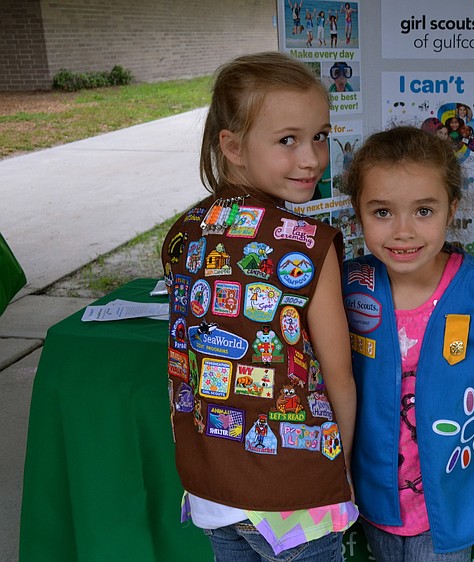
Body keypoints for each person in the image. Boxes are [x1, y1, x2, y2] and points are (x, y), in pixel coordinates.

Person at [159, 51, 358, 561]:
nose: (312, 157)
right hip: (296, 493)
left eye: (320, 135)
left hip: (210, 483)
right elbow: (338, 376)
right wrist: (345, 469)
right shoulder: (309, 244)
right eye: (287, 140)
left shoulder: (183, 234)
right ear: (233, 146)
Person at [340, 126, 474, 561]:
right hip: (374, 498)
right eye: (382, 212)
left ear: (452, 210)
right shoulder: (349, 288)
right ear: (358, 214)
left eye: (424, 211)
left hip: (451, 500)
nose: (403, 231)